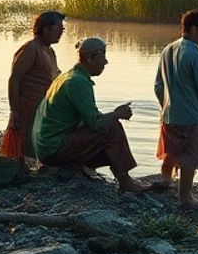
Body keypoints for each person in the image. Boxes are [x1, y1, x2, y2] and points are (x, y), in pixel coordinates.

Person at [32, 37, 146, 192]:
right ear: (90, 58)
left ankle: (90, 169)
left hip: (46, 147)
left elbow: (91, 116)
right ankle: (125, 181)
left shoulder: (68, 76)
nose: (106, 62)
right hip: (53, 149)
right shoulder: (78, 82)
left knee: (107, 126)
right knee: (112, 127)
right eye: (103, 57)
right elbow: (95, 123)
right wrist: (116, 114)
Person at [154, 9, 198, 210]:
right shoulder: (195, 53)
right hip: (190, 115)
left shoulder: (168, 49)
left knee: (170, 153)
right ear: (192, 29)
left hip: (168, 114)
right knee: (190, 157)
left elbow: (158, 85)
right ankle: (185, 198)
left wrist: (166, 105)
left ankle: (165, 184)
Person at [5, 10, 65, 164]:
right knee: (23, 151)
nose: (61, 33)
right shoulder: (30, 49)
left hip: (43, 108)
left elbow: (55, 77)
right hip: (27, 107)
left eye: (62, 30)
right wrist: (14, 110)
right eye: (59, 29)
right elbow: (14, 79)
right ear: (46, 29)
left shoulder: (49, 51)